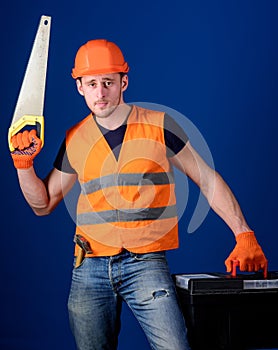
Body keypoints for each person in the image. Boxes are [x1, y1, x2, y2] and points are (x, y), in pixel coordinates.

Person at [10, 39, 268, 350]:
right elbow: (44, 204)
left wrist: (244, 234)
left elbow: (206, 178)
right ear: (80, 87)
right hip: (88, 267)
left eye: (108, 82)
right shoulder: (75, 138)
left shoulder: (159, 125)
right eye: (91, 83)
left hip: (144, 264)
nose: (100, 92)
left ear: (124, 82)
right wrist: (23, 164)